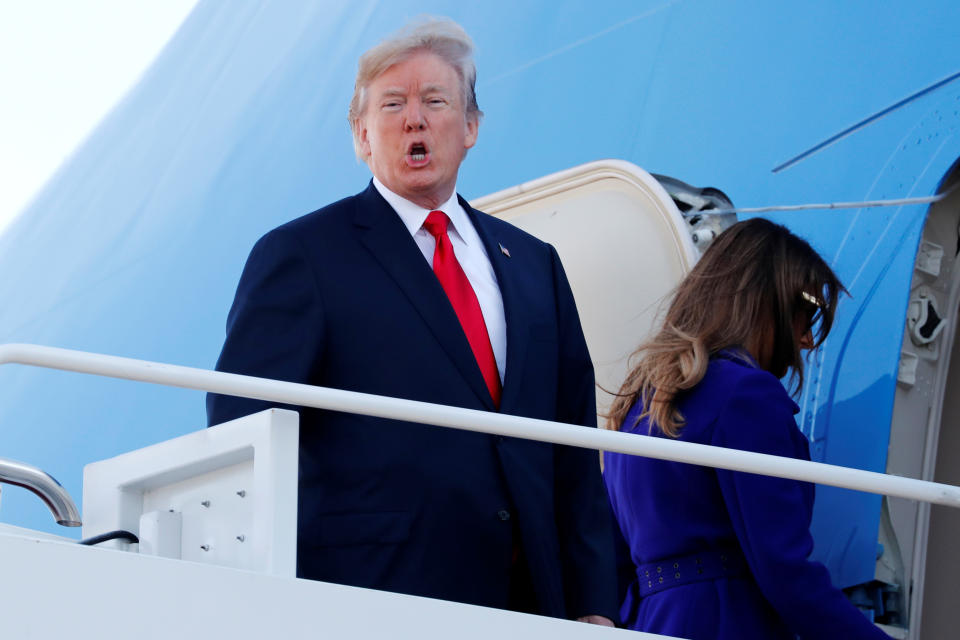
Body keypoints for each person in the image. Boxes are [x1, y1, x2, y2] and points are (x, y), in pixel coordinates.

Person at [207, 18, 617, 625]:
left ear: (471, 126)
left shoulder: (534, 263)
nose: (414, 119)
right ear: (361, 135)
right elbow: (243, 430)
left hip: (531, 598)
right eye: (392, 104)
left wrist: (592, 602)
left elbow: (573, 444)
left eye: (434, 100)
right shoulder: (304, 255)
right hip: (373, 596)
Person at [603, 218, 892, 639]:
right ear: (767, 302)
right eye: (807, 311)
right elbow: (785, 569)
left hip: (650, 623)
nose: (806, 340)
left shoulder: (637, 404)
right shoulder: (747, 395)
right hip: (729, 622)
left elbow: (614, 559)